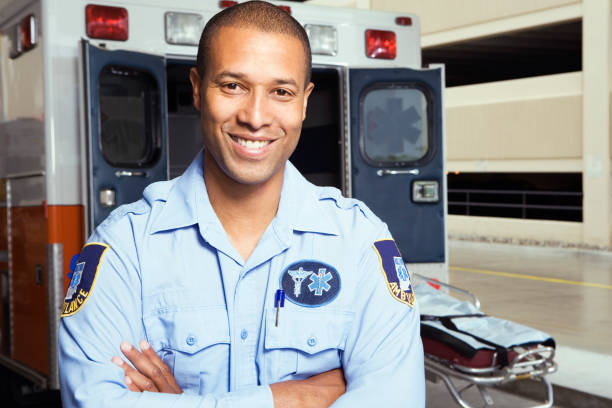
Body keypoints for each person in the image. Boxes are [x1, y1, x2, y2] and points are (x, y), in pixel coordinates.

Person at [58, 1, 425, 407]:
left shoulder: (359, 243)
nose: (255, 116)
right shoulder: (126, 247)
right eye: (233, 85)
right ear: (198, 88)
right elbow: (94, 402)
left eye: (280, 92)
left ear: (304, 101)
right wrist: (289, 399)